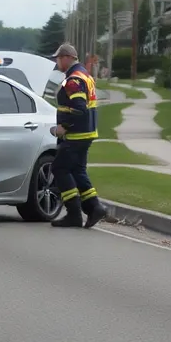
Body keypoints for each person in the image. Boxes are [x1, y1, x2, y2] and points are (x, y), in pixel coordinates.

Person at [49, 43, 107, 229]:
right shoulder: (84, 75)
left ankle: (73, 214)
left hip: (75, 135)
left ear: (67, 57)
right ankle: (94, 207)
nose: (57, 62)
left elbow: (79, 108)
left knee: (59, 169)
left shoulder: (73, 79)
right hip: (86, 133)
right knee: (78, 170)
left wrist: (63, 127)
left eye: (58, 58)